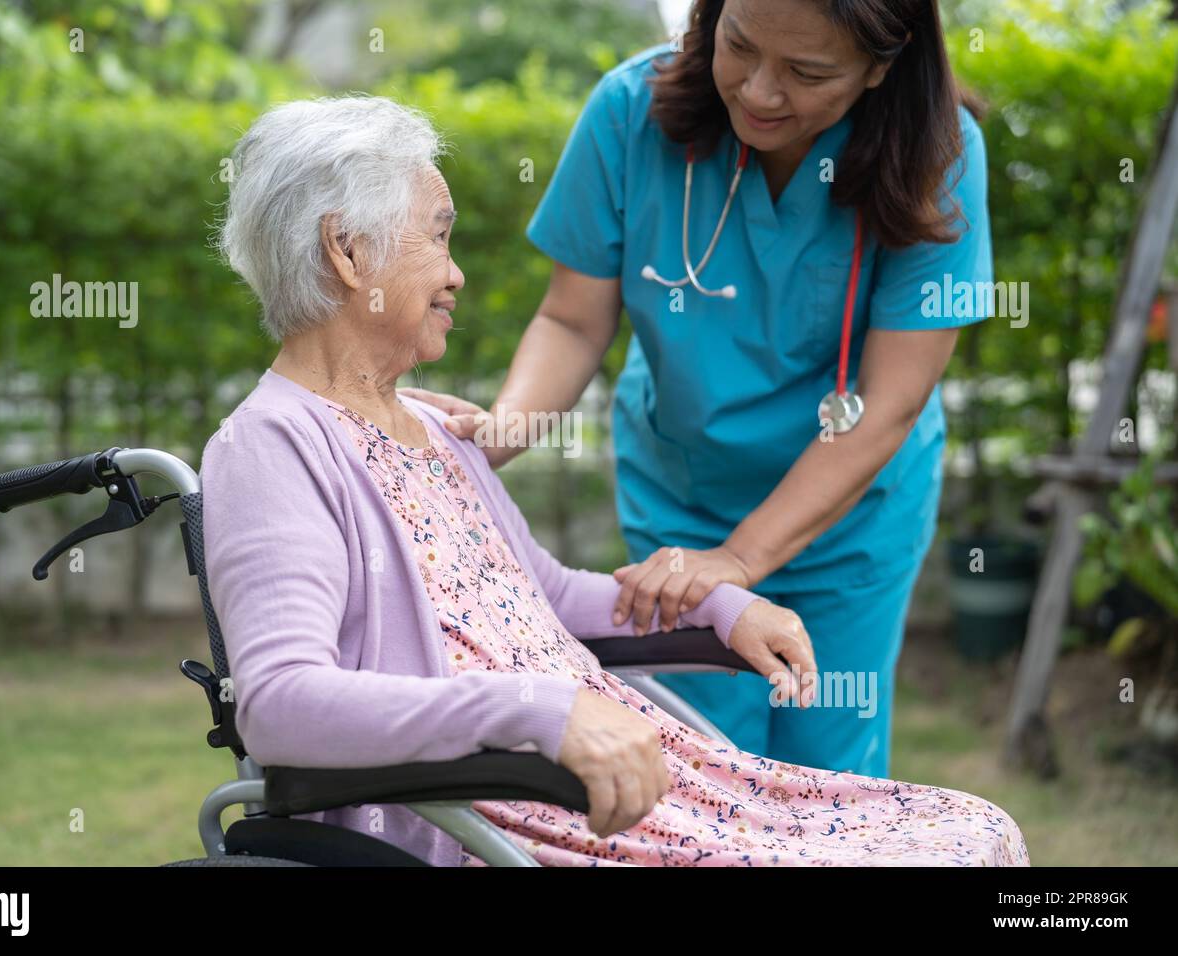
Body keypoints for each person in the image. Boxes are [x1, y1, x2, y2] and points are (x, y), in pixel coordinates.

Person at [200, 95, 1028, 866]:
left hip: (644, 787)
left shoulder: (431, 430)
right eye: (439, 238)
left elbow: (549, 601)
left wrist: (721, 603)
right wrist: (536, 711)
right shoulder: (271, 448)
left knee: (974, 829)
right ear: (348, 253)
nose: (456, 275)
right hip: (522, 813)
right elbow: (279, 706)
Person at [408, 0, 993, 779]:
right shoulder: (628, 113)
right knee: (707, 762)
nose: (758, 91)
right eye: (740, 46)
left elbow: (889, 402)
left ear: (883, 65)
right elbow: (574, 322)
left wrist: (742, 560)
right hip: (684, 496)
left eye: (807, 72)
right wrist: (507, 427)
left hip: (850, 513)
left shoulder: (940, 154)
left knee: (829, 762)